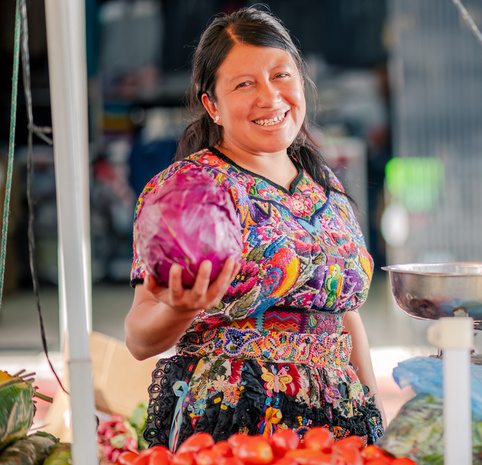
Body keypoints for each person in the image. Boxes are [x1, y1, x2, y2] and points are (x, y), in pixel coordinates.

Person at [124, 6, 386, 451]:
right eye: (245, 84)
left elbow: (346, 315)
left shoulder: (326, 189)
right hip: (233, 424)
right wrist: (182, 310)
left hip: (338, 426)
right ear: (213, 105)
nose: (270, 97)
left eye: (281, 75)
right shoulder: (188, 190)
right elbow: (138, 335)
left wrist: (377, 424)